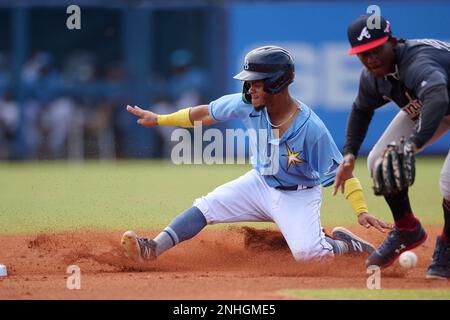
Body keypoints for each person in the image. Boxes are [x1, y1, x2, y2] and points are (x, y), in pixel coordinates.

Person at [122, 46, 390, 264]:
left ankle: (345, 244)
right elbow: (204, 113)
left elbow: (342, 173)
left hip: (298, 194)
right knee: (206, 206)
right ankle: (153, 248)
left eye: (255, 83)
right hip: (259, 183)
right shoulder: (246, 104)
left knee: (310, 256)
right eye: (248, 83)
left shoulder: (311, 129)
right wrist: (160, 119)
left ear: (277, 82)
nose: (249, 88)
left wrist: (361, 211)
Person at [333, 15, 450, 279]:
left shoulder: (417, 62)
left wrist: (413, 143)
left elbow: (438, 96)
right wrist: (349, 154)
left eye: (375, 49)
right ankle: (407, 227)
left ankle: (448, 244)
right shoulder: (374, 77)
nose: (370, 58)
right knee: (378, 159)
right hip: (434, 103)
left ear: (392, 42)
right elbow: (361, 109)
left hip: (439, 98)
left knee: (448, 181)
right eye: (363, 53)